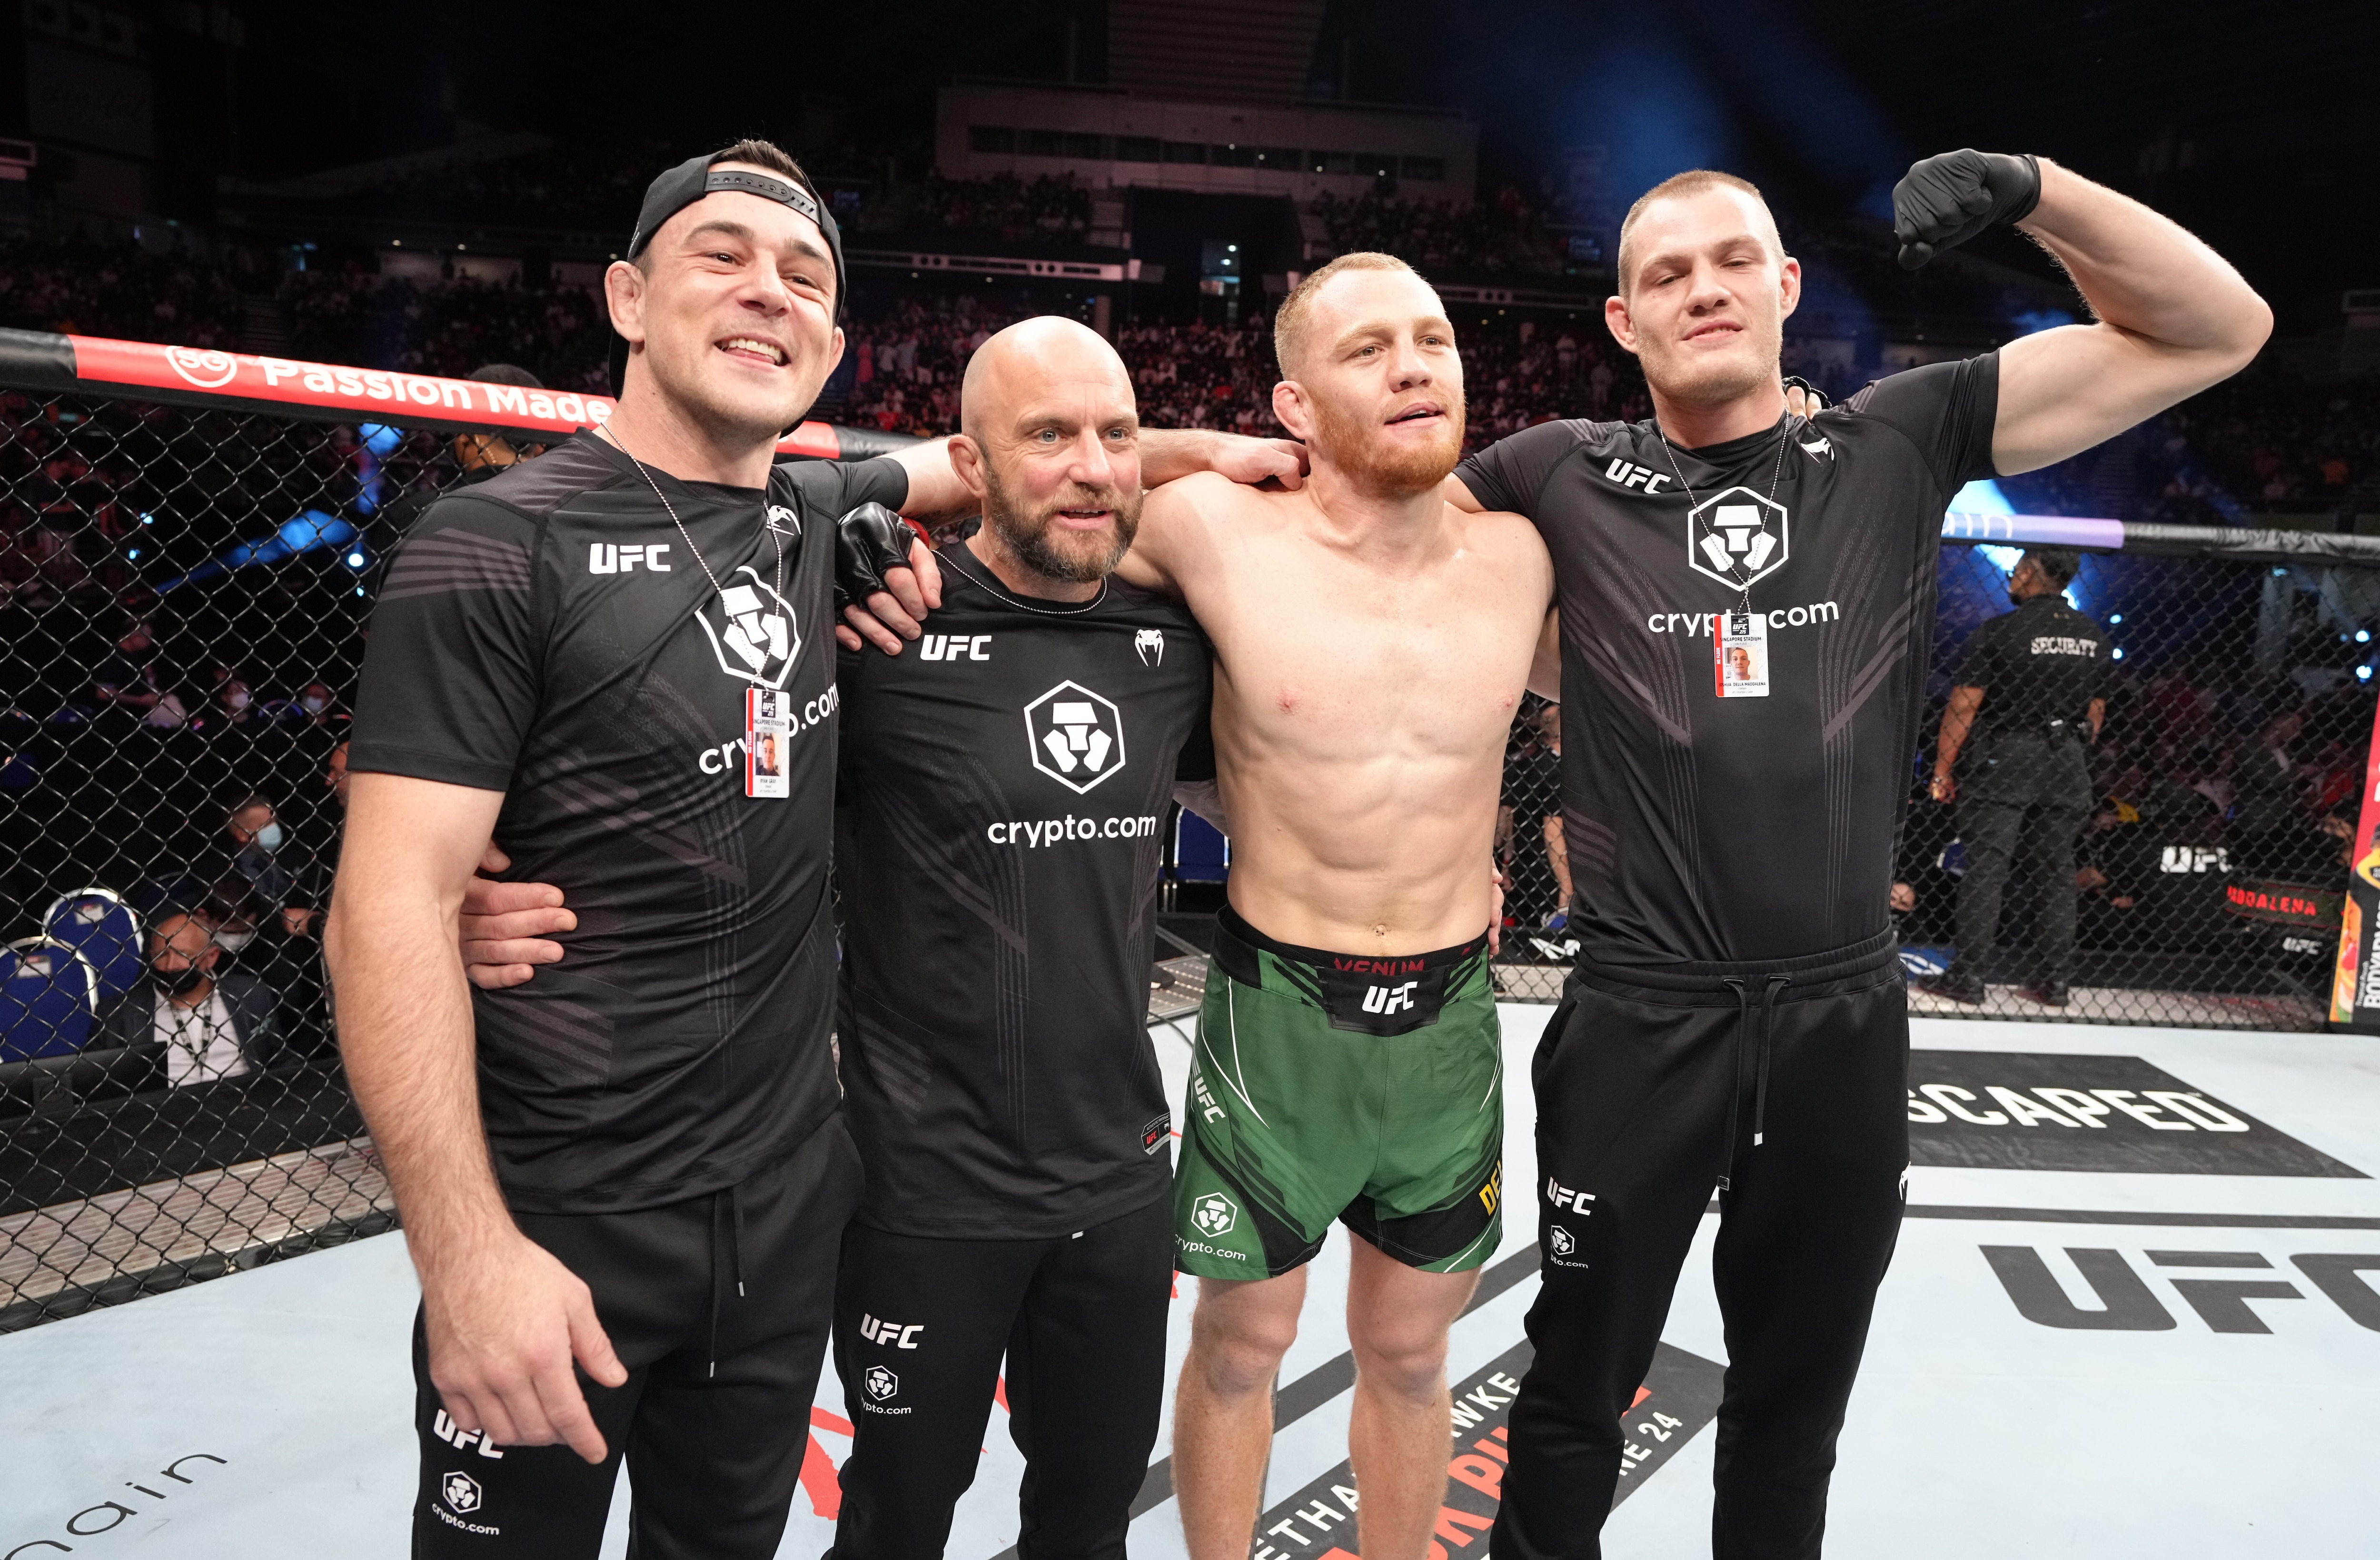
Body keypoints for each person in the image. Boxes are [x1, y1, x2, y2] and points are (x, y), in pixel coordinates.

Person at [338, 139, 1300, 1559]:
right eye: (719, 256)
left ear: (834, 343)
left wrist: (1212, 450)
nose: (764, 292)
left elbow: (1031, 457)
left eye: (801, 275)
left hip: (788, 1212)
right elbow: (387, 907)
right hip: (563, 1208)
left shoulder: (819, 522)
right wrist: (465, 1258)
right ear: (624, 296)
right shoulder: (493, 545)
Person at [1448, 152, 2267, 1559]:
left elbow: (2218, 328)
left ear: (1784, 288)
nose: (1700, 286)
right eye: (1663, 273)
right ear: (1620, 322)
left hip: (1838, 1018)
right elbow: (1348, 555)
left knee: (1790, 1408)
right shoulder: (1548, 473)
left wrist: (2034, 191)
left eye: (1728, 260)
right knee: (1573, 1387)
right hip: (1638, 1014)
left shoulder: (1898, 436)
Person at [1115, 256, 1553, 1560]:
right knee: (1243, 1343)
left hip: (1449, 1021)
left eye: (1433, 337)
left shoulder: (1526, 557)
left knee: (1415, 1356)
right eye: (1367, 351)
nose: (1415, 364)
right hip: (1273, 1017)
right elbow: (1032, 471)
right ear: (1296, 406)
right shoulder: (1216, 526)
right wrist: (1215, 445)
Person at [1918, 547, 2109, 1007]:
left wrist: (1943, 770)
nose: (2011, 579)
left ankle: (1969, 977)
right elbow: (2096, 712)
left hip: (2008, 754)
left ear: (2027, 573)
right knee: (2056, 869)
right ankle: (2055, 982)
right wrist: (2068, 752)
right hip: (2066, 760)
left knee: (1988, 867)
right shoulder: (2092, 635)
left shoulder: (2001, 632)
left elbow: (1964, 706)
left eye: (2015, 571)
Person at [100, 910, 281, 1084]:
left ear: (211, 957)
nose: (171, 965)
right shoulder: (119, 1014)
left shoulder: (251, 994)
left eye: (183, 954)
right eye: (162, 955)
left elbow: (282, 1058)